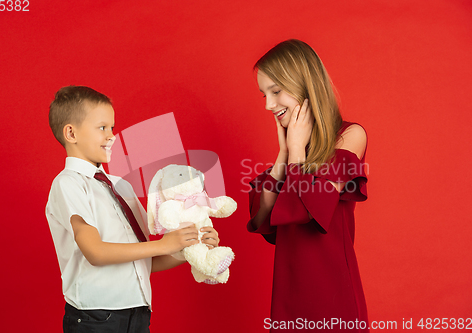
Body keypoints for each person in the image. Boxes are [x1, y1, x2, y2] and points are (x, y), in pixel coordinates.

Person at [46, 86, 220, 333]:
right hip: (96, 317)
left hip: (138, 314)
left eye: (112, 128)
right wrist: (165, 244)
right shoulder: (69, 183)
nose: (112, 136)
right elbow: (95, 252)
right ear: (71, 133)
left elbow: (144, 261)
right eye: (102, 128)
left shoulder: (121, 186)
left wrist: (189, 245)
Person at [247, 39, 369, 332]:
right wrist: (284, 154)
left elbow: (309, 207)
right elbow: (262, 218)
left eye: (276, 91)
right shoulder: (292, 151)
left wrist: (297, 151)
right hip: (288, 294)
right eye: (264, 94)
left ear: (304, 86)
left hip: (332, 292)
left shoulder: (349, 136)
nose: (268, 105)